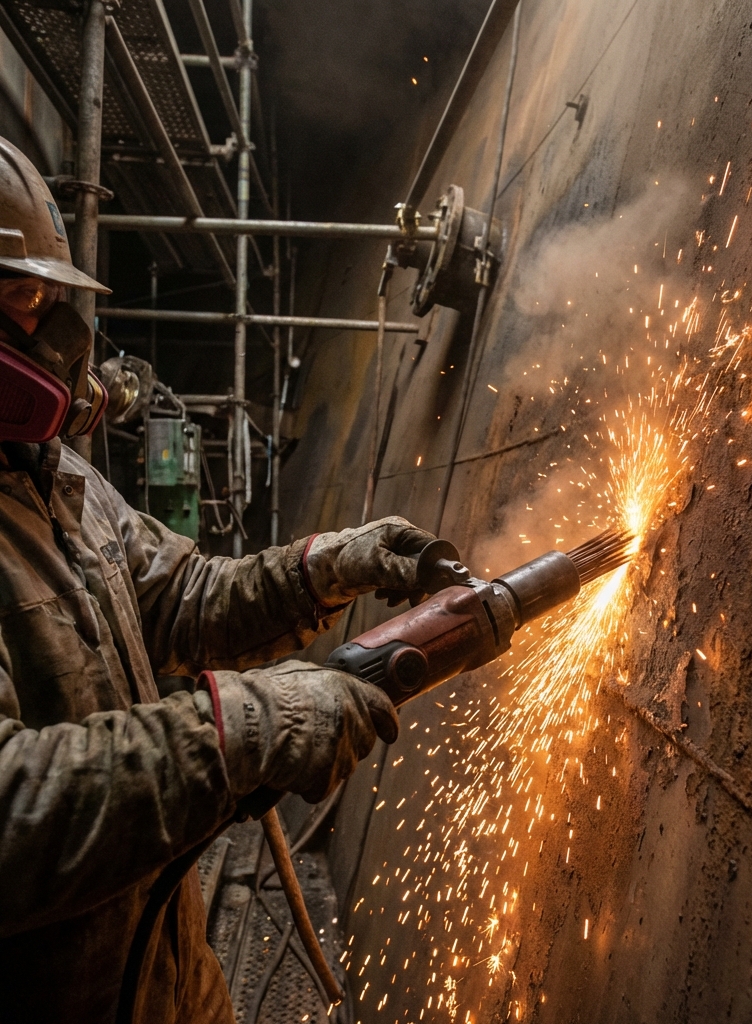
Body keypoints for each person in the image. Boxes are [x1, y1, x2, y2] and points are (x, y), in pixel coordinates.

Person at [0, 135, 430, 1023]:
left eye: (44, 297)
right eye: (24, 297)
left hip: (159, 970)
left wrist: (327, 566)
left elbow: (182, 597)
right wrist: (235, 733)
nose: (65, 342)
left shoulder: (56, 476)